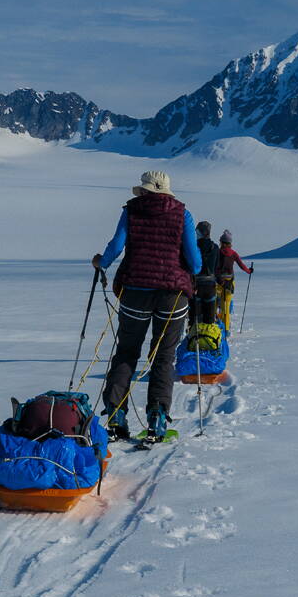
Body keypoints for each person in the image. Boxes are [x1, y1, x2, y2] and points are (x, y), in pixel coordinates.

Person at [91, 170, 201, 442]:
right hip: (172, 295)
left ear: (144, 190)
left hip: (135, 292)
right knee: (163, 356)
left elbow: (116, 246)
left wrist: (101, 263)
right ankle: (157, 418)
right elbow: (195, 261)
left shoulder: (131, 210)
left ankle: (116, 416)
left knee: (126, 353)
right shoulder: (183, 214)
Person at [215, 230, 253, 329]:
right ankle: (226, 330)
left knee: (216, 303)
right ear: (230, 243)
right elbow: (241, 265)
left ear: (222, 242)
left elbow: (213, 267)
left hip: (218, 282)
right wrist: (249, 271)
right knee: (226, 307)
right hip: (229, 282)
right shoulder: (233, 253)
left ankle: (216, 324)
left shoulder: (217, 253)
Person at [189, 220, 219, 330]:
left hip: (195, 285)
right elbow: (217, 267)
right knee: (209, 318)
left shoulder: (193, 246)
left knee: (194, 318)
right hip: (210, 285)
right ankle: (208, 340)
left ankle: (193, 340)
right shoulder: (215, 247)